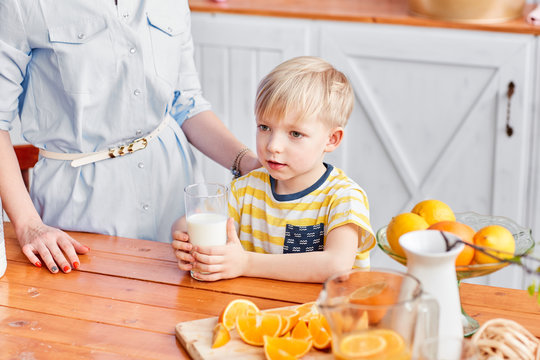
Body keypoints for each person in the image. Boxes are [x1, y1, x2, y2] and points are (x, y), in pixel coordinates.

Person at [0, 1, 259, 274]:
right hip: (80, 209)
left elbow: (185, 102)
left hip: (171, 191)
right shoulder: (22, 4)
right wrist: (29, 225)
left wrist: (247, 162)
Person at [171, 56, 375, 282]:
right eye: (264, 127)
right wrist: (185, 238)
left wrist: (245, 263)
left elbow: (336, 265)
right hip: (257, 312)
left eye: (295, 134)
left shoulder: (343, 197)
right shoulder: (246, 188)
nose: (273, 146)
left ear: (332, 139)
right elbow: (195, 220)